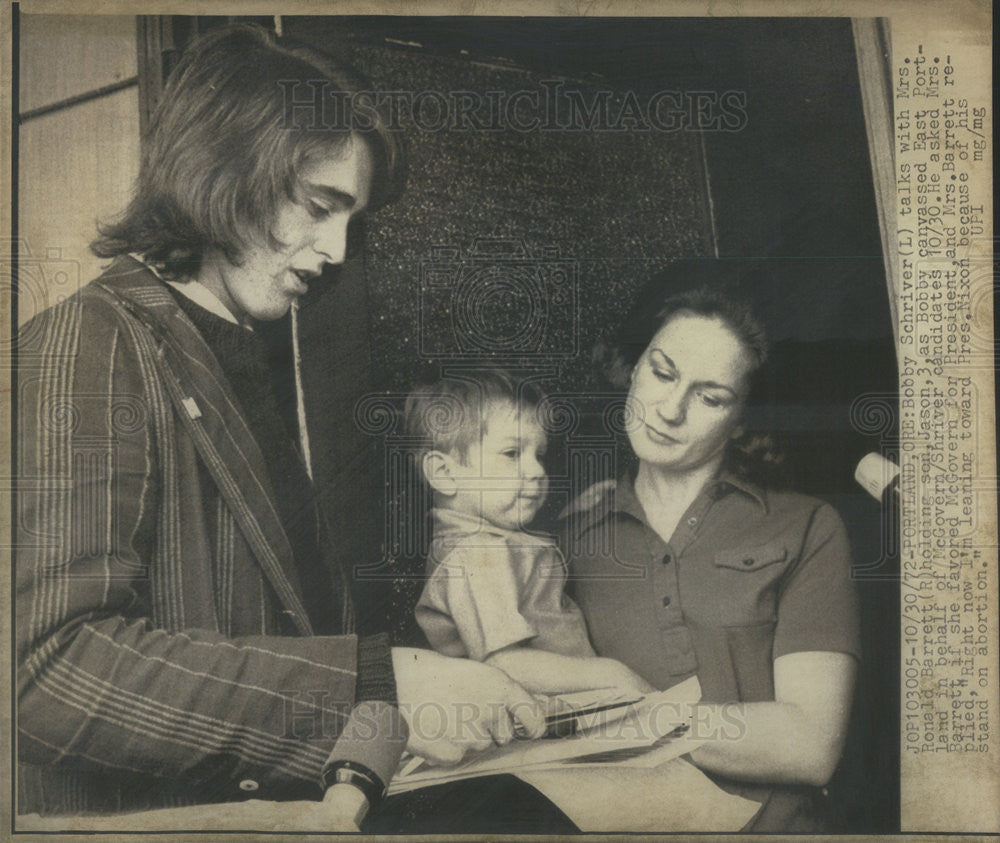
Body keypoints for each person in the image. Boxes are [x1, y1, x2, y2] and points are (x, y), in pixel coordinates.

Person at [15, 24, 548, 826]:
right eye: (319, 206)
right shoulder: (85, 340)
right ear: (226, 171)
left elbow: (280, 638)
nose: (336, 249)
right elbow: (48, 671)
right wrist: (378, 681)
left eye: (351, 219)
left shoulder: (245, 354)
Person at [563, 277, 860, 832]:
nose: (670, 410)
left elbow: (810, 745)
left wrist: (630, 720)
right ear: (633, 368)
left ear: (742, 416)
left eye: (710, 396)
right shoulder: (568, 537)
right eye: (662, 371)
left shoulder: (808, 526)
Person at [406, 369, 655, 697]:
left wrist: (571, 516)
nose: (538, 471)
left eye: (539, 455)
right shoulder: (476, 555)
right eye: (512, 454)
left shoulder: (482, 542)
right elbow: (506, 665)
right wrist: (613, 674)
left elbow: (523, 570)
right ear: (443, 472)